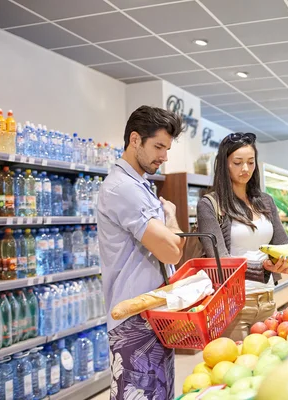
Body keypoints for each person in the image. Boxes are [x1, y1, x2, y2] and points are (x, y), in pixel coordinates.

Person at [197, 132, 288, 341]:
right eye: (237, 162)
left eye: (250, 162)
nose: (245, 169)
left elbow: (282, 244)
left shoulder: (265, 201)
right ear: (224, 164)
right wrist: (262, 269)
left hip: (267, 298)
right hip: (232, 304)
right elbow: (220, 261)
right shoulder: (210, 205)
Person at [97, 105, 185, 400]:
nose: (164, 156)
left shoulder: (138, 185)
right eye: (158, 146)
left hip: (151, 313)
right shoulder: (123, 188)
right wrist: (170, 215)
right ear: (135, 140)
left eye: (167, 148)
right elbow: (172, 251)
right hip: (134, 319)